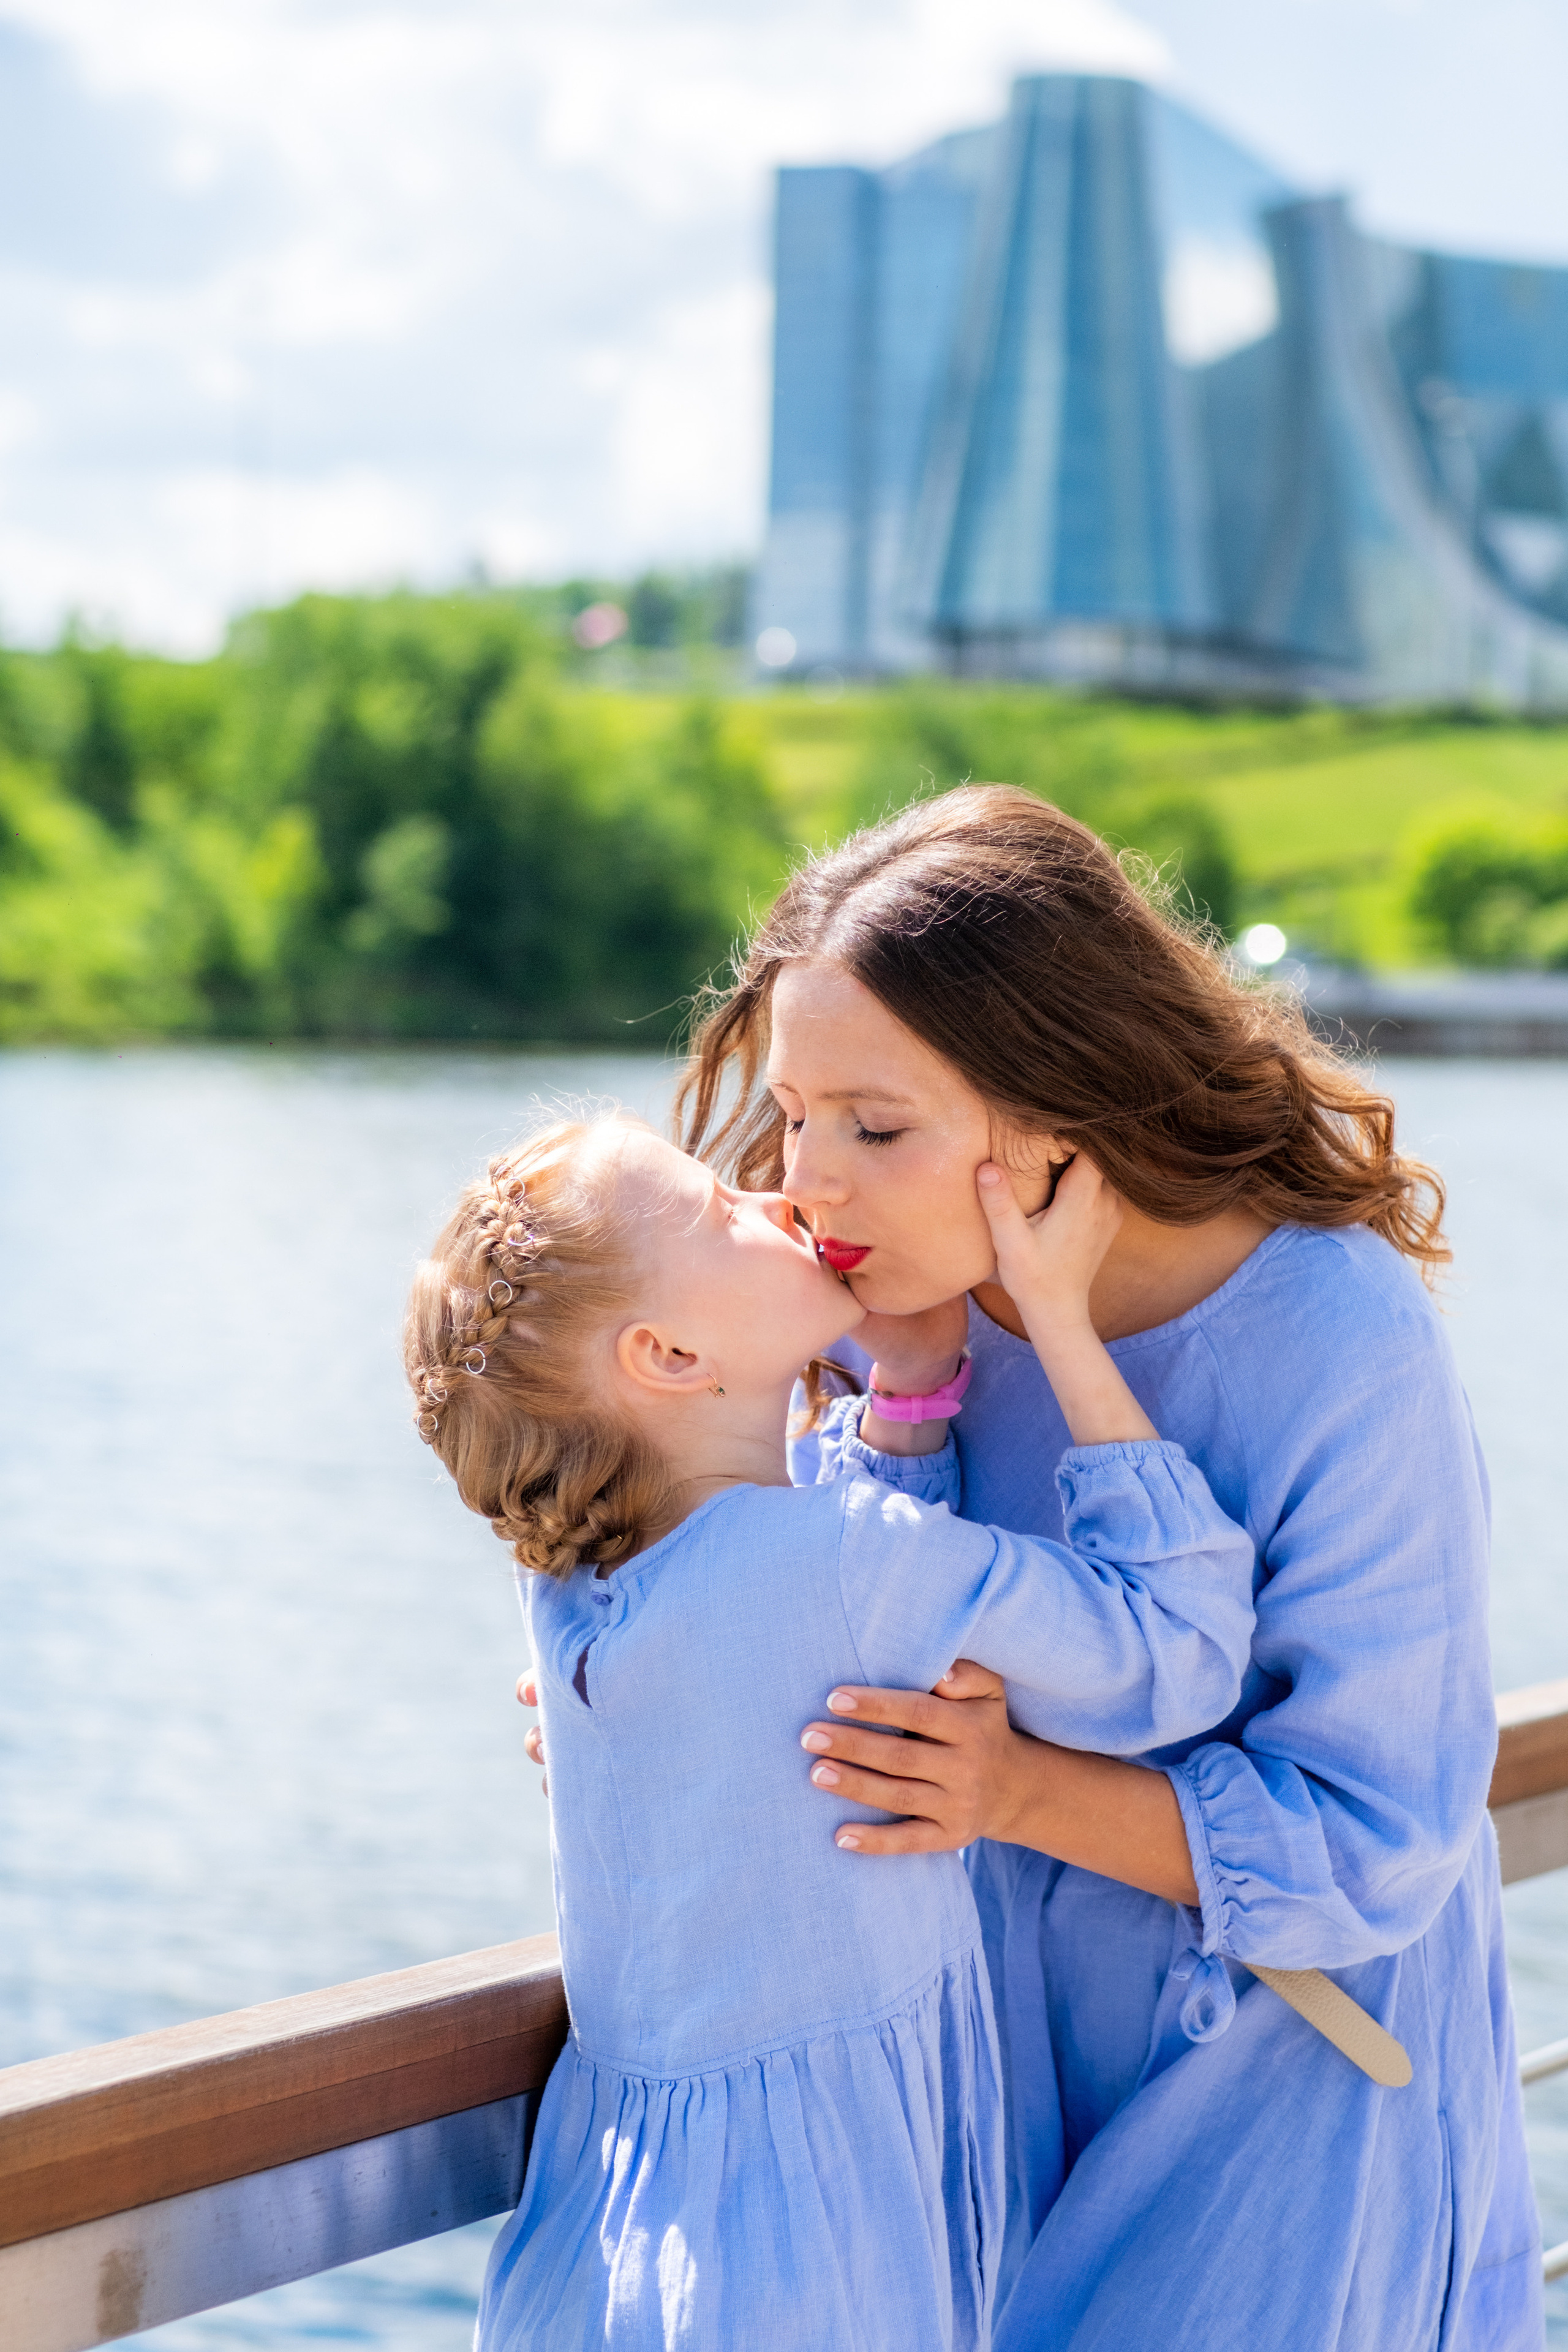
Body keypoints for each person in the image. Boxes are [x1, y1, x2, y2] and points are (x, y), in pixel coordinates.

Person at [676, 785, 1542, 2352]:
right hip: (980, 2071)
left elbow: (1384, 1838)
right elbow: (846, 1670)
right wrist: (653, 1665)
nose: (808, 1179)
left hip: (1277, 2100)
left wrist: (1014, 1793)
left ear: (1057, 1104)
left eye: (875, 1129)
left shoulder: (1339, 1341)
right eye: (797, 1116)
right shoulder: (883, 1308)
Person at [408, 1110, 1256, 2352]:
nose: (774, 1195)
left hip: (610, 2234)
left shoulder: (577, 1592)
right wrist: (1059, 1316)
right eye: (715, 1210)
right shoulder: (840, 1560)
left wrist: (909, 1398)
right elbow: (1174, 1655)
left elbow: (816, 1600)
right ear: (668, 1352)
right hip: (815, 2263)